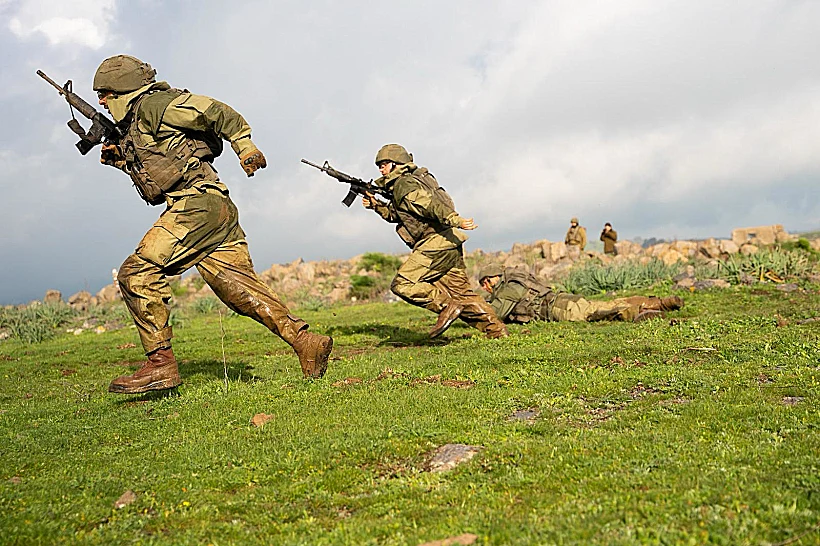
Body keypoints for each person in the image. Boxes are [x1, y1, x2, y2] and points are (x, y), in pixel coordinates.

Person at [92, 55, 333, 394]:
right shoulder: (140, 122)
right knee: (240, 291)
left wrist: (245, 146)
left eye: (104, 94)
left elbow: (216, 111)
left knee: (136, 274)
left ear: (122, 89)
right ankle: (306, 342)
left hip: (197, 206)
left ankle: (160, 365)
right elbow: (160, 179)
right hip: (214, 207)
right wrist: (121, 160)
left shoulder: (155, 105)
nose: (101, 102)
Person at [362, 144, 508, 339]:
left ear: (397, 163)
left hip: (434, 245)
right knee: (462, 295)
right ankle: (497, 332)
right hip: (449, 242)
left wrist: (454, 219)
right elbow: (399, 215)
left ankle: (447, 306)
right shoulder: (415, 181)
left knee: (403, 284)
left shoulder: (404, 185)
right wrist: (376, 205)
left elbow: (429, 205)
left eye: (385, 164)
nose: (381, 169)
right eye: (379, 165)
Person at [478, 264, 683, 323]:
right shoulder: (516, 278)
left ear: (491, 278)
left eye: (485, 284)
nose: (486, 288)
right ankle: (662, 302)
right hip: (562, 300)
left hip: (559, 309)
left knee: (597, 313)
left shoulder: (509, 288)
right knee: (604, 304)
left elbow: (495, 313)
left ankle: (643, 311)